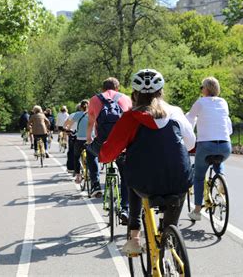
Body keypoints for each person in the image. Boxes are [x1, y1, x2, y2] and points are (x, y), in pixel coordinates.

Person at [99, 69, 196, 255]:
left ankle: (134, 237)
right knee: (178, 190)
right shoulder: (175, 112)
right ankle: (170, 233)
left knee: (132, 175)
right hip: (179, 180)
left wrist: (102, 152)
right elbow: (191, 144)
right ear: (161, 91)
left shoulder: (129, 118)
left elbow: (107, 154)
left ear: (134, 94)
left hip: (146, 184)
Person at [185, 76, 233, 221]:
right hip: (225, 145)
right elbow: (228, 127)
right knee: (219, 159)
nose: (201, 90)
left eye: (202, 87)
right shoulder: (223, 102)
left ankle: (197, 211)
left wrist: (188, 138)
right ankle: (221, 178)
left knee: (199, 177)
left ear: (206, 89)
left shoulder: (200, 102)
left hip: (206, 145)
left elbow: (189, 121)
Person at [86, 77, 132, 222]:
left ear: (102, 88)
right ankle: (125, 208)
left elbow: (91, 123)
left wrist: (89, 139)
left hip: (103, 145)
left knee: (89, 151)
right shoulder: (126, 98)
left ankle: (95, 184)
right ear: (117, 88)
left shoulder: (94, 100)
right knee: (125, 176)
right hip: (122, 145)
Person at [65, 100, 101, 195]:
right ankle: (95, 183)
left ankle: (78, 176)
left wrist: (69, 131)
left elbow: (67, 125)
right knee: (93, 158)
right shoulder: (94, 113)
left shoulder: (77, 114)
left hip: (80, 140)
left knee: (76, 156)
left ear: (80, 107)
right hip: (91, 140)